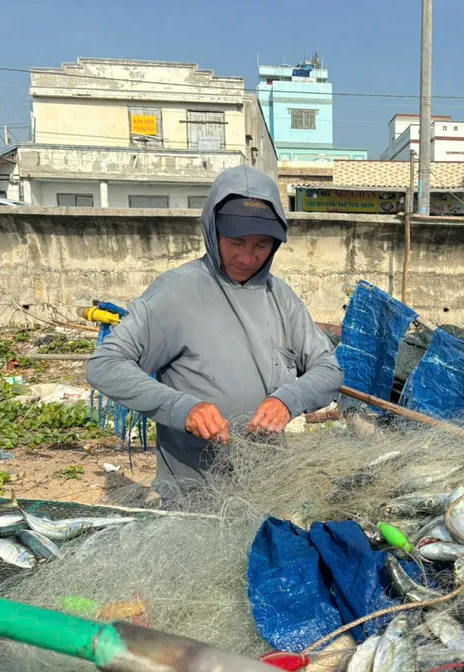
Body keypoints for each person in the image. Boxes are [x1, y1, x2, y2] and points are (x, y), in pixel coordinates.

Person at [86, 166, 344, 499]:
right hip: (194, 492)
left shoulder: (280, 297)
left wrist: (287, 400)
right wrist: (183, 408)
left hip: (268, 486)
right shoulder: (175, 293)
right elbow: (105, 365)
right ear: (212, 230)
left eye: (262, 245)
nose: (248, 257)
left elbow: (329, 370)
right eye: (235, 241)